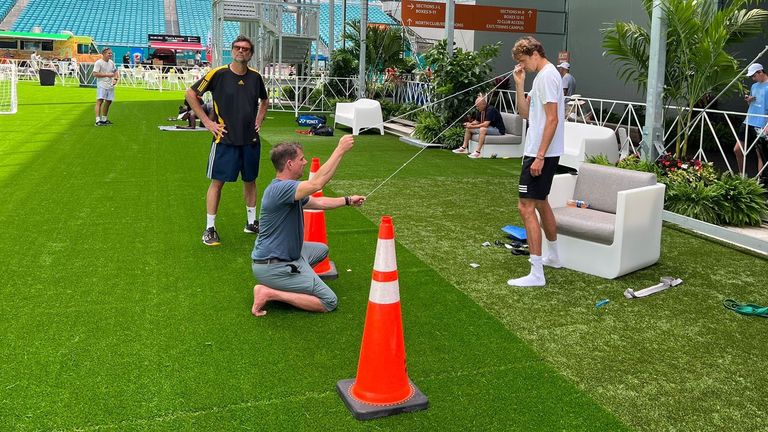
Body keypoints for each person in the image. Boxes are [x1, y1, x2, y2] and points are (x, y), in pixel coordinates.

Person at [250, 137, 366, 316]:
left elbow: (319, 203)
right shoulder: (281, 189)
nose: (305, 162)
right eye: (301, 159)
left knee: (321, 250)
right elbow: (317, 183)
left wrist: (348, 200)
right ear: (289, 164)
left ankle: (297, 275)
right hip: (274, 266)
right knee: (329, 301)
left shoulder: (289, 190)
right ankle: (270, 292)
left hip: (286, 256)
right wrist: (340, 149)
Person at [185, 35, 269, 246]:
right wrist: (207, 122)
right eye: (237, 48)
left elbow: (264, 100)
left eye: (246, 49)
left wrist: (259, 119)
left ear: (250, 54)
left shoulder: (256, 77)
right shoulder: (218, 74)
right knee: (217, 183)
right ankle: (210, 228)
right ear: (232, 51)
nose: (241, 51)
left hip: (250, 140)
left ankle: (251, 223)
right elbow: (190, 94)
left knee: (250, 181)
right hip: (225, 139)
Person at [508, 36, 565, 287]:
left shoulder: (549, 76)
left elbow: (552, 119)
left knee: (525, 207)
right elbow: (524, 113)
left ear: (534, 54)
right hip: (539, 150)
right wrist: (519, 84)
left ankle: (536, 273)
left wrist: (539, 155)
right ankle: (553, 256)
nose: (523, 66)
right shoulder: (540, 77)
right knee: (541, 203)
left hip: (540, 153)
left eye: (523, 61)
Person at [733, 63, 768, 175]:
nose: (753, 79)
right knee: (737, 149)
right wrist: (749, 100)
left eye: (754, 76)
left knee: (760, 153)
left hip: (761, 123)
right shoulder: (754, 86)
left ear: (760, 72)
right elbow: (753, 104)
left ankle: (759, 181)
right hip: (748, 120)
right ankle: (742, 175)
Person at [452, 94, 506, 158]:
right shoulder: (481, 110)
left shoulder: (490, 110)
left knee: (482, 129)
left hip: (497, 130)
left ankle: (477, 152)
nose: (476, 108)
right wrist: (470, 124)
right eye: (476, 106)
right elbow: (477, 121)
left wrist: (472, 126)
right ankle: (464, 148)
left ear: (483, 104)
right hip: (489, 128)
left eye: (478, 106)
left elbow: (486, 124)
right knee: (468, 129)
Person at [92, 47, 119, 126]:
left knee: (108, 101)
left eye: (111, 53)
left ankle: (104, 119)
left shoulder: (111, 62)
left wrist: (115, 79)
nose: (110, 54)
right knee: (99, 101)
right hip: (102, 85)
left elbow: (115, 71)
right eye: (109, 53)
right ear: (103, 54)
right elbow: (94, 74)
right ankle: (97, 120)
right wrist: (107, 74)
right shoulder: (98, 63)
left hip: (110, 85)